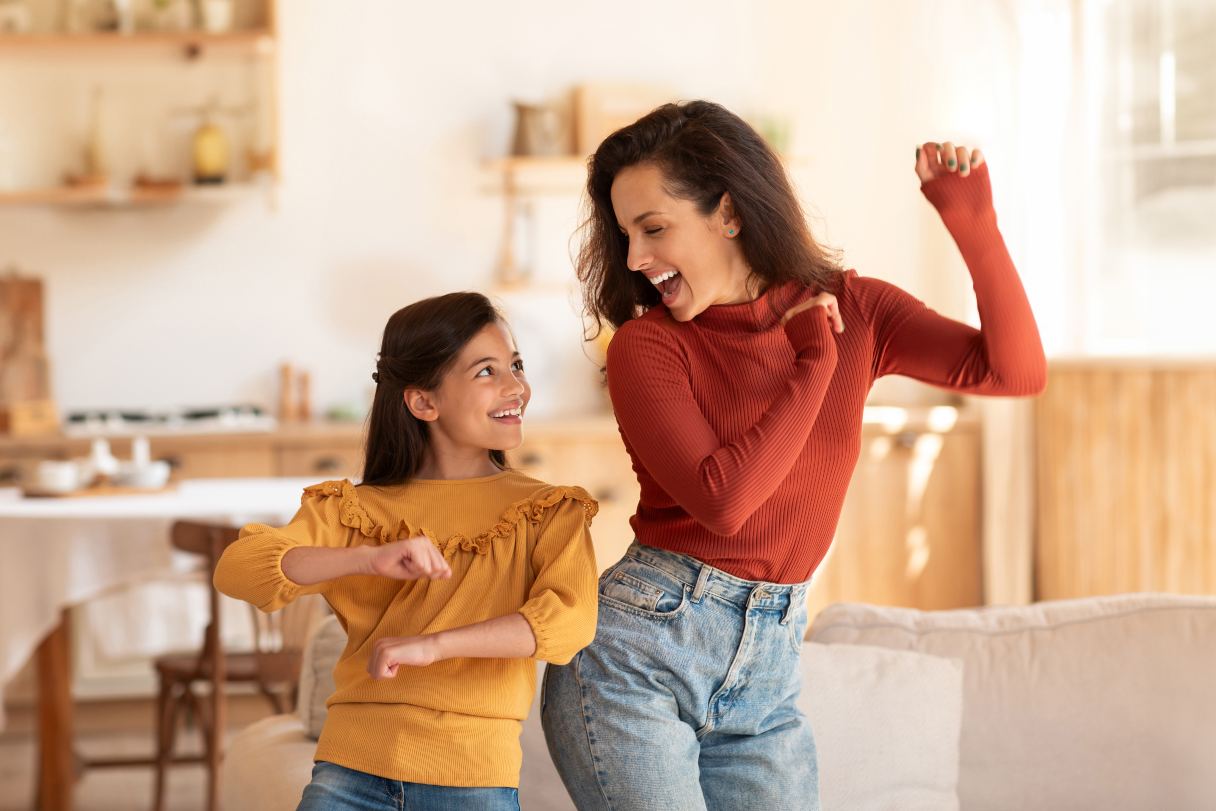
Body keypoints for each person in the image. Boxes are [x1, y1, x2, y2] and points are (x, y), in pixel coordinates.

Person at [541, 100, 1046, 810]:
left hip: (768, 666)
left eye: (654, 228)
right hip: (635, 660)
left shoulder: (857, 309)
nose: (635, 259)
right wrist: (814, 361)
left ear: (729, 212)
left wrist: (973, 225)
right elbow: (725, 501)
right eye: (626, 235)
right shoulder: (648, 347)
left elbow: (1014, 372)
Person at [214, 291, 600, 811]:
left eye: (516, 365)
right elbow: (239, 569)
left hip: (473, 780)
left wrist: (433, 645)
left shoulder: (548, 510)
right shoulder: (354, 510)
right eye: (487, 372)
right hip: (349, 773)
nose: (517, 388)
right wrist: (366, 559)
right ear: (423, 402)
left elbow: (569, 622)